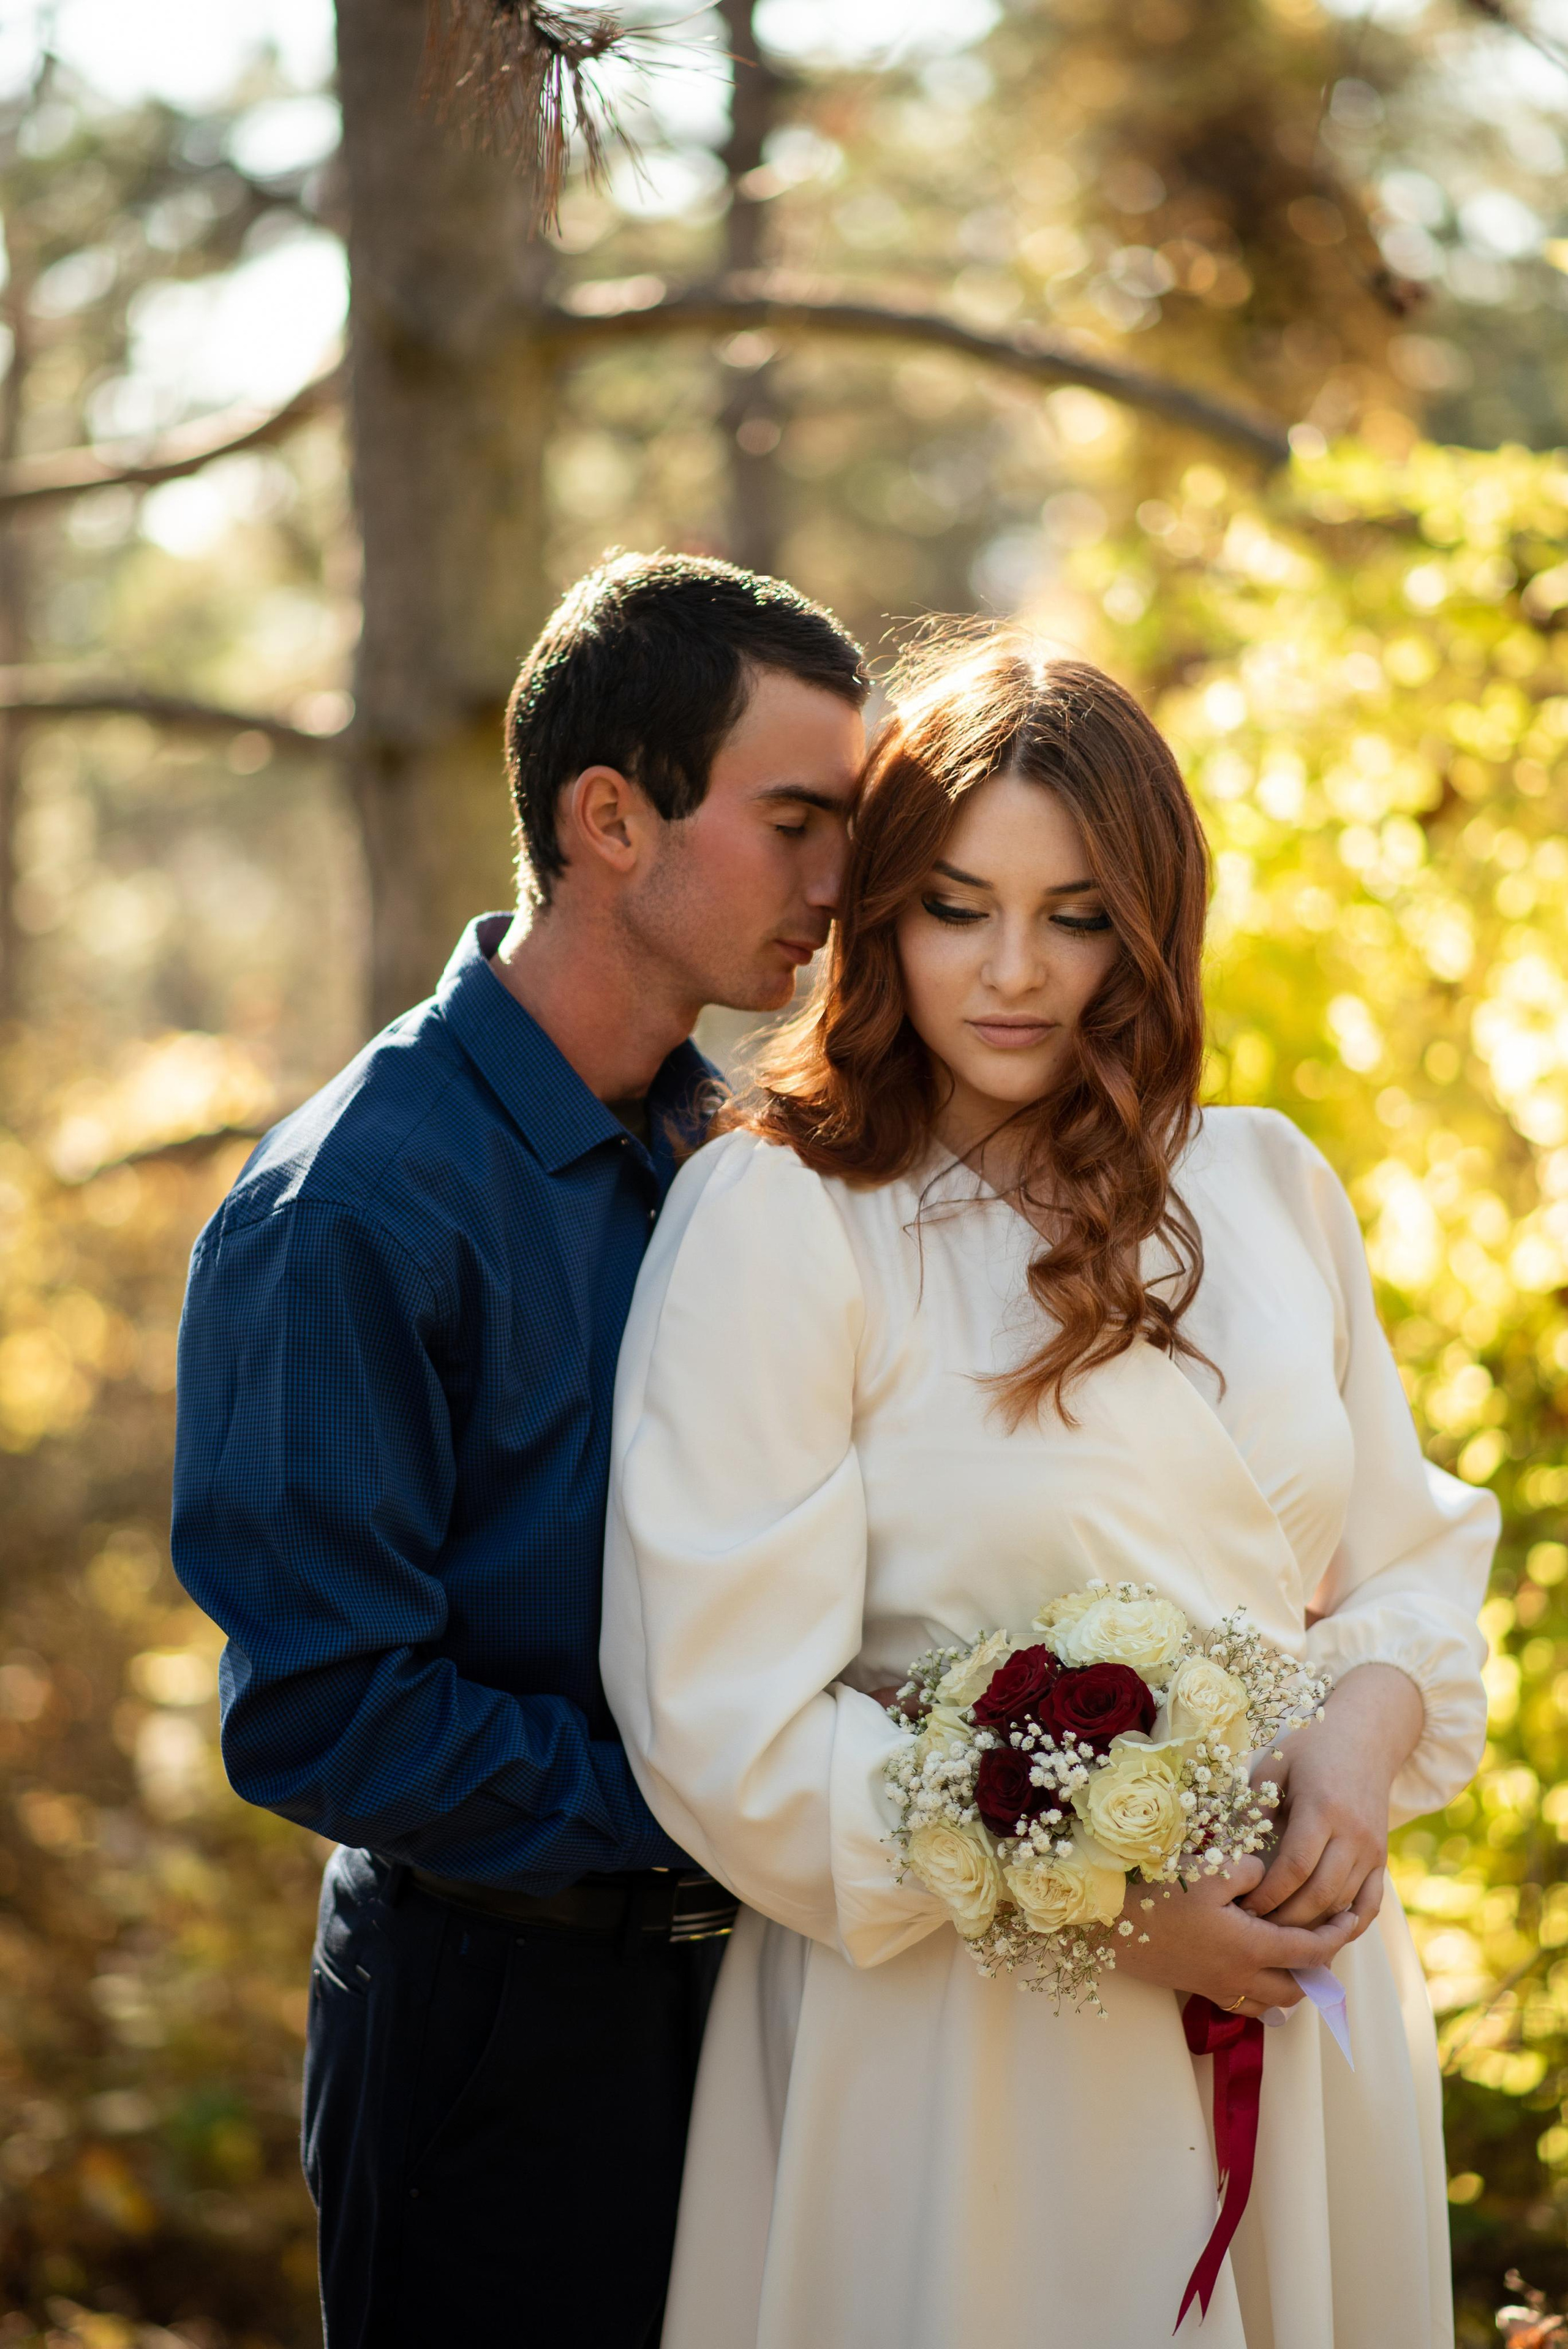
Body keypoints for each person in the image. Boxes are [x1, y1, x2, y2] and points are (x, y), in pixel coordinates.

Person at [601, 636, 1496, 2349]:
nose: (1015, 970)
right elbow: (721, 1715)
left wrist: (1368, 1730)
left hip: (1306, 2008)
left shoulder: (1268, 1183)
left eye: (1078, 913)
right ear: (880, 914)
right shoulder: (790, 1216)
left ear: (1150, 922)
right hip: (966, 2048)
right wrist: (1107, 1900)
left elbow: (1406, 1559)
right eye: (956, 905)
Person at [170, 551, 869, 2349]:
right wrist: (727, 1798)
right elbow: (322, 1708)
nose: (838, 886)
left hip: (765, 2001)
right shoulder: (349, 1205)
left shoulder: (739, 1154)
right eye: (798, 822)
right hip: (499, 2023)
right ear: (611, 818)